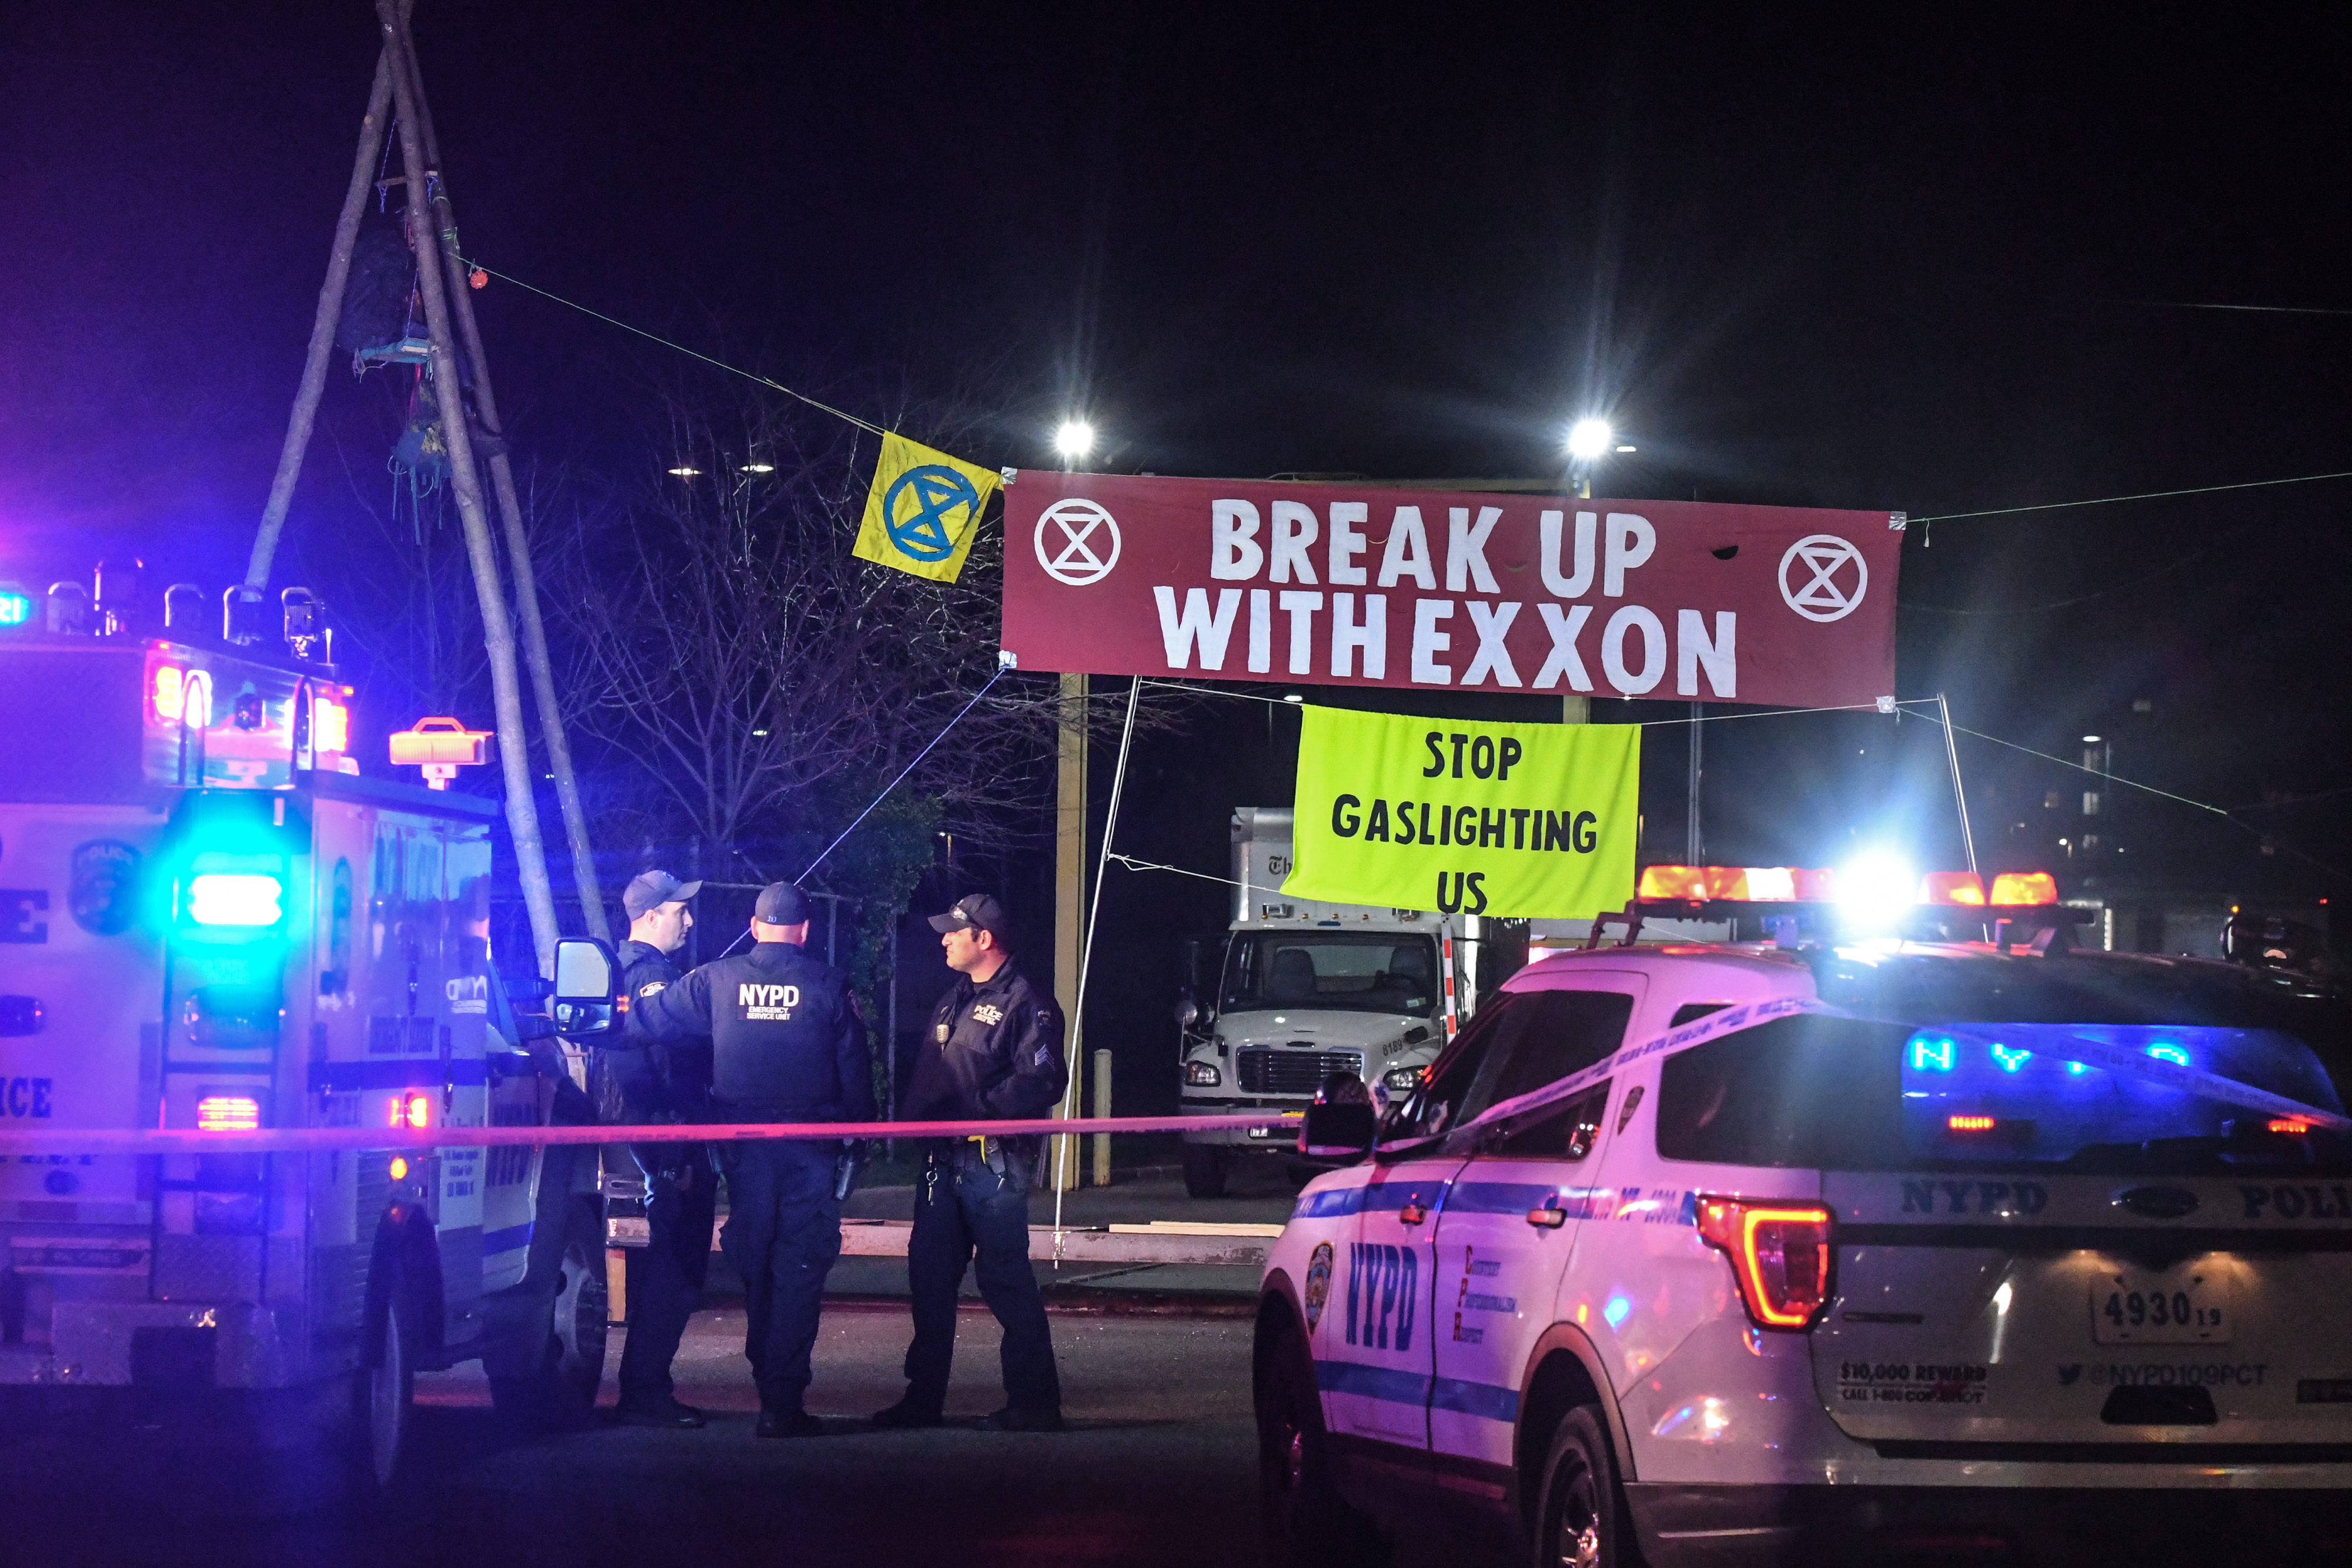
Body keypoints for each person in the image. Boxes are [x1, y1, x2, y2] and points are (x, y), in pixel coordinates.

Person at [636, 881, 870, 1437]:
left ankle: (770, 1383)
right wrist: (859, 1142)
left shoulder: (716, 980)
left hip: (741, 1154)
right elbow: (856, 1076)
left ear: (755, 925)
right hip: (810, 1154)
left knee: (757, 1262)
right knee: (799, 1268)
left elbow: (646, 1020)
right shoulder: (830, 985)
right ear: (806, 931)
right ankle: (781, 1402)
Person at [873, 894, 1070, 1433]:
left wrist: (976, 1110)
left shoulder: (1027, 1000)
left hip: (992, 1160)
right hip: (942, 1159)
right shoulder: (954, 997)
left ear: (983, 938)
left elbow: (1044, 1079)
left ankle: (1034, 1404)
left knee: (1004, 1278)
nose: (944, 939)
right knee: (930, 1277)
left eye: (954, 932)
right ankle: (923, 1399)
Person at [595, 870, 716, 1429]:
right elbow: (647, 1064)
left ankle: (646, 1386)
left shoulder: (638, 971)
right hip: (672, 1142)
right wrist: (668, 1144)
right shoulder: (647, 976)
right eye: (678, 910)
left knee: (672, 1263)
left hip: (666, 1140)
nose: (688, 920)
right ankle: (645, 1389)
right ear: (648, 916)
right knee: (675, 1265)